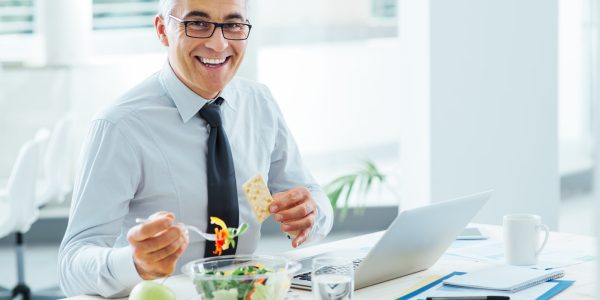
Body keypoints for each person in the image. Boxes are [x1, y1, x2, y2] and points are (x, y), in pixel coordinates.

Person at [57, 0, 334, 297]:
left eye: (233, 25)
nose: (218, 43)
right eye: (198, 24)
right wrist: (134, 262)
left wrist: (310, 214)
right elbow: (71, 266)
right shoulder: (119, 127)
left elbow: (311, 195)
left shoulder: (260, 103)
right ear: (163, 30)